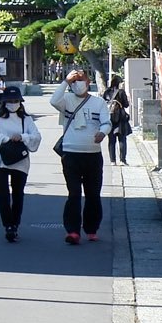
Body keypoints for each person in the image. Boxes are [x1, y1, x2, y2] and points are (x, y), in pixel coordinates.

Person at [49, 69, 111, 244]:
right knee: (74, 193)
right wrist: (65, 82)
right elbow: (54, 101)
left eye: (80, 79)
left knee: (93, 194)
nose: (78, 83)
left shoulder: (98, 103)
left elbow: (107, 122)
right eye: (74, 81)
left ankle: (91, 229)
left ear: (88, 80)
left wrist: (103, 132)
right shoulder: (67, 100)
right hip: (71, 153)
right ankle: (73, 231)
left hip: (92, 154)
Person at [0, 85, 42, 242]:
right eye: (10, 100)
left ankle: (15, 224)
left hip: (20, 162)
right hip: (0, 160)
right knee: (3, 195)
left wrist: (22, 137)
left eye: (16, 100)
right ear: (4, 101)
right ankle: (7, 225)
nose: (13, 103)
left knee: (17, 194)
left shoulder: (26, 118)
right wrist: (6, 139)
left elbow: (36, 136)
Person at [107, 82, 134, 165]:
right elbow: (126, 105)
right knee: (122, 139)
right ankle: (122, 160)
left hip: (110, 117)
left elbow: (103, 101)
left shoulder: (107, 92)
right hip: (120, 118)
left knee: (111, 140)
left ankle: (112, 161)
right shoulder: (121, 92)